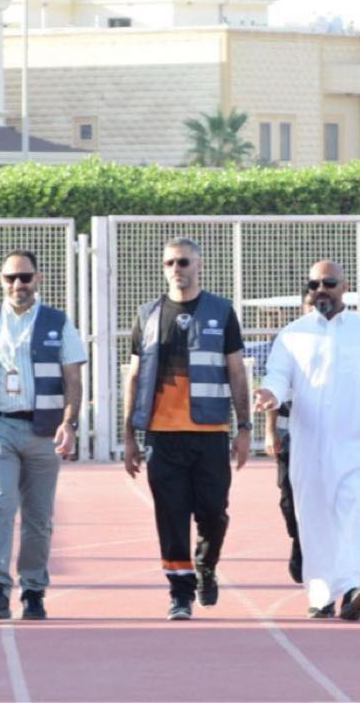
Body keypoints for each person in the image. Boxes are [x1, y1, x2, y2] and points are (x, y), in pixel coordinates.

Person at [254, 262, 360, 620]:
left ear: (344, 286)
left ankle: (351, 587)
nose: (321, 289)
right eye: (314, 283)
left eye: (329, 282)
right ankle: (321, 596)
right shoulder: (292, 335)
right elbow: (278, 376)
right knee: (314, 519)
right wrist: (269, 394)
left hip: (355, 443)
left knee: (353, 512)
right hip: (308, 447)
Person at [122, 236, 251, 621]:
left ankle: (206, 566)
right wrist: (129, 436)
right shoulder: (147, 315)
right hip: (162, 436)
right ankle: (180, 592)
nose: (176, 269)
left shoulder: (221, 312)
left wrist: (244, 428)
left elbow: (236, 372)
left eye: (183, 262)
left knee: (213, 512)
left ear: (199, 265)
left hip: (210, 433)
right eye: (170, 263)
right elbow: (134, 377)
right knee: (171, 516)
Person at [0, 250, 86, 621]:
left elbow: (73, 377)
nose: (18, 284)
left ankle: (32, 589)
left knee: (38, 517)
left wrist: (69, 423)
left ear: (37, 278)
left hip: (44, 429)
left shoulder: (58, 321)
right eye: (10, 278)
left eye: (25, 277)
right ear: (0, 280)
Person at [262, 290, 312, 587]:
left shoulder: (342, 342)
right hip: (289, 436)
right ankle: (298, 540)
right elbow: (273, 386)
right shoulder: (286, 340)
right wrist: (270, 431)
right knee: (289, 500)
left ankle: (312, 553)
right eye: (309, 304)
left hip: (324, 437)